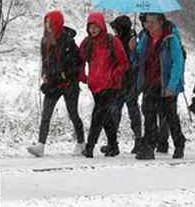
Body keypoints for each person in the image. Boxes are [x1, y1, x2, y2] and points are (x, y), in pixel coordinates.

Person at [28, 11, 84, 157]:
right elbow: (44, 61)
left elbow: (77, 62)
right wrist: (44, 74)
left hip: (68, 83)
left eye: (50, 22)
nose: (48, 26)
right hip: (53, 83)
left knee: (73, 113)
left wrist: (66, 74)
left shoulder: (68, 41)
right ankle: (41, 144)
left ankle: (81, 142)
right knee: (46, 114)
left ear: (57, 23)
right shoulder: (44, 41)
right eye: (46, 22)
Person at [131, 13, 186, 159]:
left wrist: (172, 86)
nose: (149, 26)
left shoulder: (171, 40)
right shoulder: (145, 39)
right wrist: (133, 49)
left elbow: (177, 63)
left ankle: (179, 143)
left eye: (153, 23)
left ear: (161, 23)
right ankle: (149, 146)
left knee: (170, 117)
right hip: (149, 84)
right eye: (147, 22)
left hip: (165, 85)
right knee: (149, 116)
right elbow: (136, 60)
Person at [78, 12, 129, 157]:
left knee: (98, 114)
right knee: (105, 116)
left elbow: (123, 63)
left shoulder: (112, 41)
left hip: (110, 86)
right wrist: (82, 75)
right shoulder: (87, 43)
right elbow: (79, 61)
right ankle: (113, 145)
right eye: (90, 27)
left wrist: (114, 75)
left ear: (101, 26)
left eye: (95, 26)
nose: (93, 29)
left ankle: (90, 146)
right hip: (94, 85)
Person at [108, 15, 144, 155]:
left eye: (116, 28)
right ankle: (114, 141)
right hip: (121, 80)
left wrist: (133, 50)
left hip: (129, 80)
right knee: (118, 111)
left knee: (128, 110)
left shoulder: (131, 40)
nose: (115, 30)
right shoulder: (118, 39)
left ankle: (137, 140)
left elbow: (134, 61)